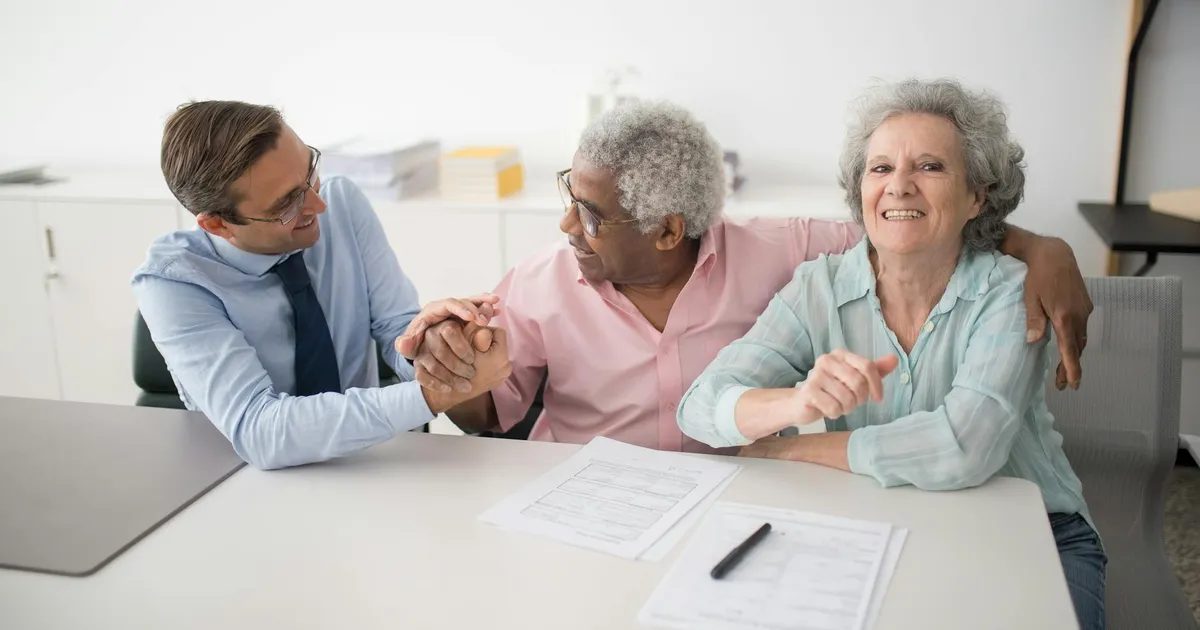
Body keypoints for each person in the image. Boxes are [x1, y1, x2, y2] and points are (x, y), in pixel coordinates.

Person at [398, 99, 1094, 455]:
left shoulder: (780, 251)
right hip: (586, 495)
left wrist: (1039, 245)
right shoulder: (542, 280)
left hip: (737, 501)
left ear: (669, 230)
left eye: (590, 214)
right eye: (568, 198)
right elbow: (492, 418)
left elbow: (909, 222)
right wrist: (459, 379)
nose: (566, 228)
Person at [676, 79, 1105, 628]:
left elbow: (964, 446)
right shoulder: (818, 287)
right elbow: (699, 406)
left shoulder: (1008, 289)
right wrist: (793, 404)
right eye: (880, 169)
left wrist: (792, 450)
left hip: (1035, 533)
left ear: (978, 196)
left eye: (929, 167)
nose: (899, 187)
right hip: (877, 522)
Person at [132, 101, 510, 470]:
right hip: (245, 486)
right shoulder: (173, 283)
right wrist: (429, 396)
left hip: (369, 463)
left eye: (310, 171)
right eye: (287, 203)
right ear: (217, 224)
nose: (318, 204)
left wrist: (436, 345)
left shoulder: (342, 201)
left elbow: (397, 330)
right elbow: (258, 428)